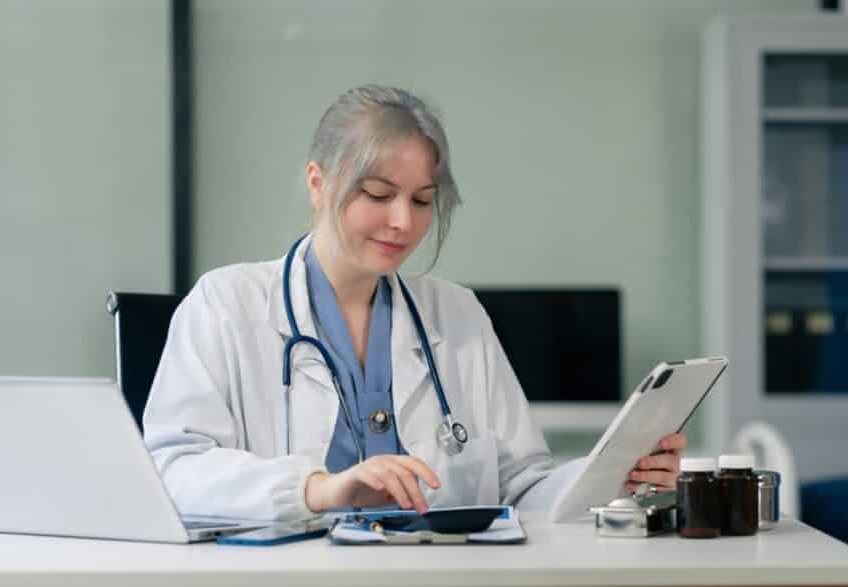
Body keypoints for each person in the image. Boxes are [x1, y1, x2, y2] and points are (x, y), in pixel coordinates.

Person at [143, 84, 687, 522]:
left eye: (422, 200)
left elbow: (520, 488)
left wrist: (609, 474)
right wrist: (321, 490)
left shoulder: (458, 315)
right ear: (318, 182)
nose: (403, 221)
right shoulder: (226, 304)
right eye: (378, 195)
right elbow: (174, 470)